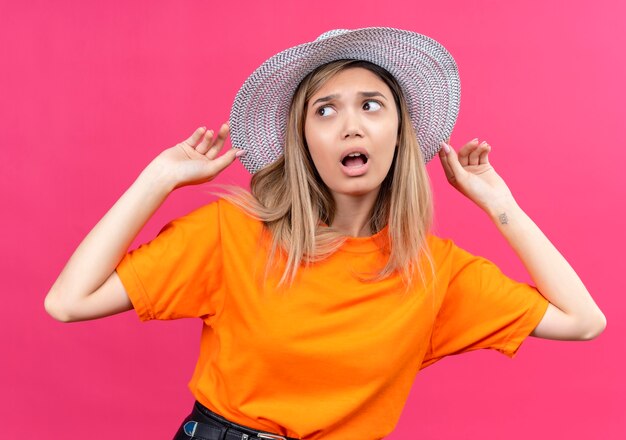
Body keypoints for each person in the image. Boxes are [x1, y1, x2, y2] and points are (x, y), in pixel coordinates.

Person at [44, 27, 606, 440]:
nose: (351, 125)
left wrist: (499, 205)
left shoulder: (436, 274)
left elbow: (583, 322)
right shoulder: (231, 235)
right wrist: (159, 178)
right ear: (305, 140)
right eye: (325, 110)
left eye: (370, 105)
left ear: (398, 134)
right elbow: (69, 302)